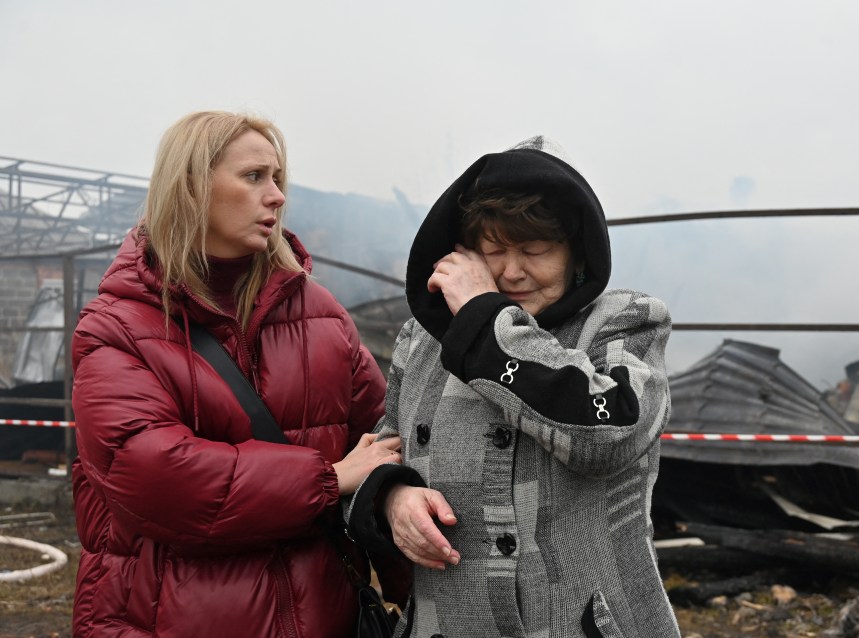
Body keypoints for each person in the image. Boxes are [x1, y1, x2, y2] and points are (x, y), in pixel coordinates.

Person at [70, 111, 403, 638]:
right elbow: (157, 479)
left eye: (277, 180)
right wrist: (329, 480)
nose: (275, 196)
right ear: (191, 186)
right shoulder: (116, 328)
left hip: (326, 618)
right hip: (165, 622)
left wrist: (416, 600)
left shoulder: (322, 316)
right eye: (253, 177)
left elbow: (388, 449)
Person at [347, 137, 681, 637]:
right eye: (494, 251)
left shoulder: (624, 324)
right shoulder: (422, 340)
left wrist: (485, 320)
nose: (512, 271)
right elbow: (381, 450)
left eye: (534, 249)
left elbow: (610, 434)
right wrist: (392, 498)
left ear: (576, 253)